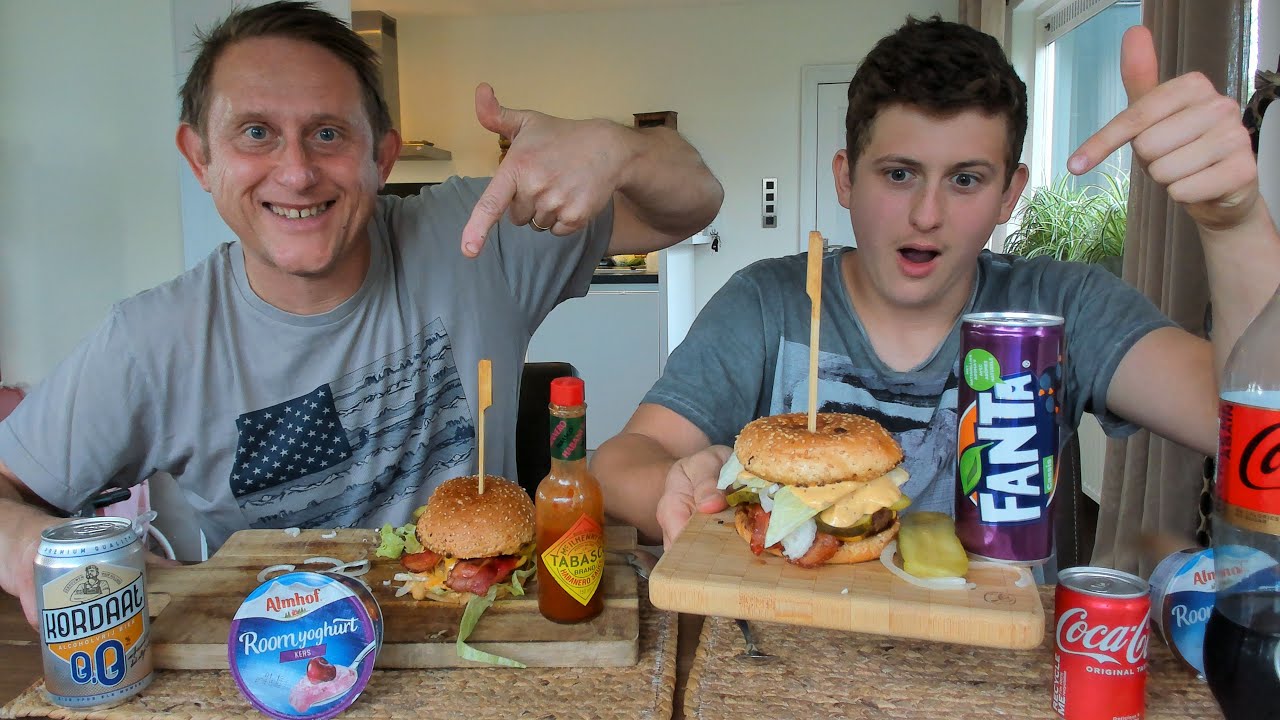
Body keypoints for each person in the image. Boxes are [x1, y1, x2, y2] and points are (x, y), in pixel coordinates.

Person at [0, 0, 722, 625]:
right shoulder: (150, 341)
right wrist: (28, 547)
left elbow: (690, 203)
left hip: (482, 641)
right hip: (278, 664)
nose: (295, 172)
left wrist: (619, 148)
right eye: (255, 132)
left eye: (327, 133)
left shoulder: (474, 234)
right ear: (200, 159)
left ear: (381, 157)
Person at [593, 16, 1280, 549]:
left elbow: (1256, 429)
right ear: (845, 178)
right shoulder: (767, 303)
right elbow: (618, 464)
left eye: (965, 180)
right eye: (898, 174)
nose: (927, 215)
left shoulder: (1058, 309)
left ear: (1010, 193)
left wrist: (1235, 225)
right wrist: (673, 485)